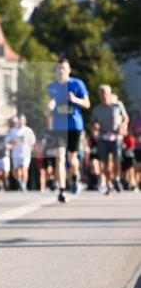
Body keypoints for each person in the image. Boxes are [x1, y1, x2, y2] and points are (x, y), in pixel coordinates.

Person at [47, 58, 90, 202]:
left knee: (72, 158)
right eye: (58, 68)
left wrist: (75, 99)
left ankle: (75, 176)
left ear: (69, 70)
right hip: (59, 127)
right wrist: (49, 108)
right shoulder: (52, 87)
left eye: (63, 68)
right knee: (59, 156)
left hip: (74, 126)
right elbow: (48, 108)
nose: (60, 71)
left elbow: (87, 104)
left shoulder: (77, 84)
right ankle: (61, 189)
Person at [91, 83, 127, 194]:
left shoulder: (117, 105)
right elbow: (93, 123)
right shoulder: (97, 109)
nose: (103, 96)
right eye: (101, 93)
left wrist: (123, 126)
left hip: (116, 136)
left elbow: (125, 118)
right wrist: (95, 130)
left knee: (116, 159)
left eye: (105, 93)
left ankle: (116, 178)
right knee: (105, 162)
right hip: (103, 137)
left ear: (110, 94)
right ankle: (108, 184)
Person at [5, 114, 36, 192]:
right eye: (19, 120)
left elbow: (32, 142)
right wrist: (10, 145)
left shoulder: (28, 130)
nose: (21, 121)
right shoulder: (13, 130)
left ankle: (24, 184)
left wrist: (31, 148)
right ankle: (19, 181)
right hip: (16, 153)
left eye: (22, 120)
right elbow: (8, 141)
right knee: (16, 170)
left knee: (24, 168)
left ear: (25, 121)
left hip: (25, 153)